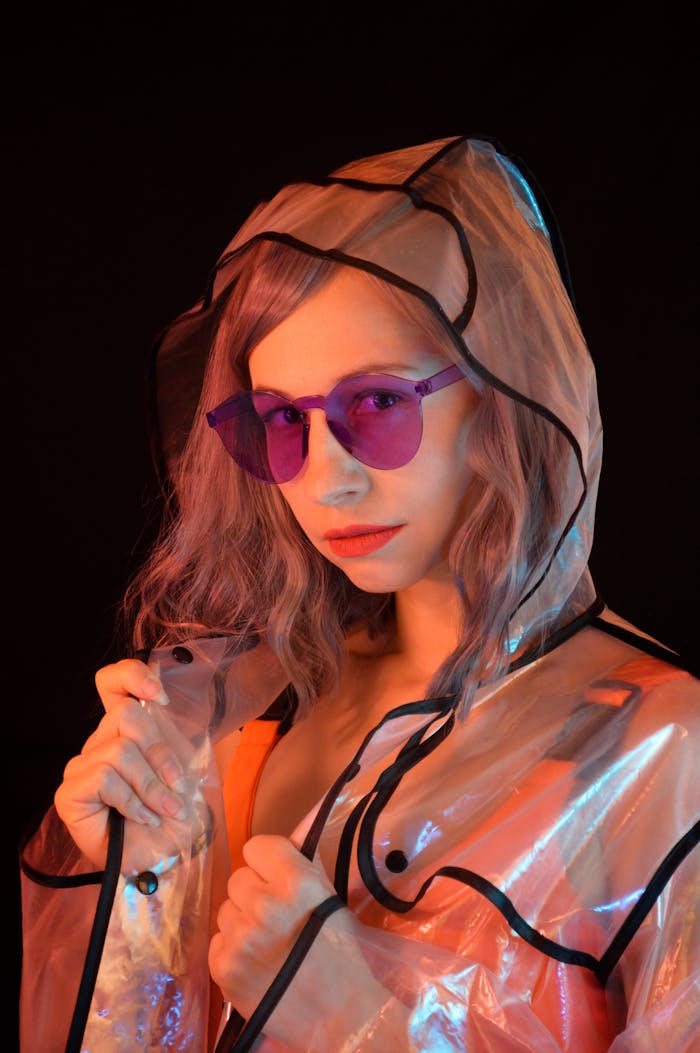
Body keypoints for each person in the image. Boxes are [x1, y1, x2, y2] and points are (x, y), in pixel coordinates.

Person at [19, 134, 699, 1053]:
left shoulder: (658, 750)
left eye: (377, 404)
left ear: (505, 389)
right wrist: (140, 885)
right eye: (283, 422)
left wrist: (358, 1022)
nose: (325, 482)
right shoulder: (244, 711)